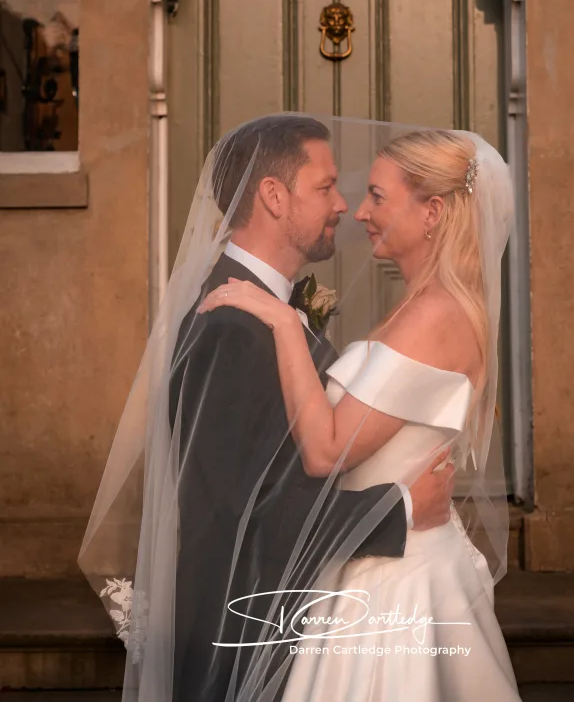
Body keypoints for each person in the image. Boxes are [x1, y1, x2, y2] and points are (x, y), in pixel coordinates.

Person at [78, 114, 457, 702]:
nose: (342, 205)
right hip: (242, 639)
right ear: (274, 197)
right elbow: (245, 511)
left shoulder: (265, 311)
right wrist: (399, 507)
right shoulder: (230, 325)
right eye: (325, 186)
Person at [199, 126, 522, 701]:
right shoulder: (423, 306)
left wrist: (280, 322)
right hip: (371, 562)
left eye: (378, 195)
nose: (359, 211)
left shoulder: (437, 316)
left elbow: (325, 451)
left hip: (399, 581)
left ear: (433, 212)